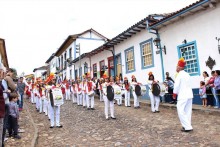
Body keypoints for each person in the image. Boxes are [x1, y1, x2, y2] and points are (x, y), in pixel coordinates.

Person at [173, 57, 193, 132]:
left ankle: (187, 127)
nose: (176, 68)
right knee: (187, 111)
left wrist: (174, 93)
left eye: (177, 66)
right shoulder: (187, 74)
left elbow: (176, 85)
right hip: (189, 94)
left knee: (180, 110)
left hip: (182, 95)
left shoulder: (179, 75)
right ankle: (187, 125)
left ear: (179, 67)